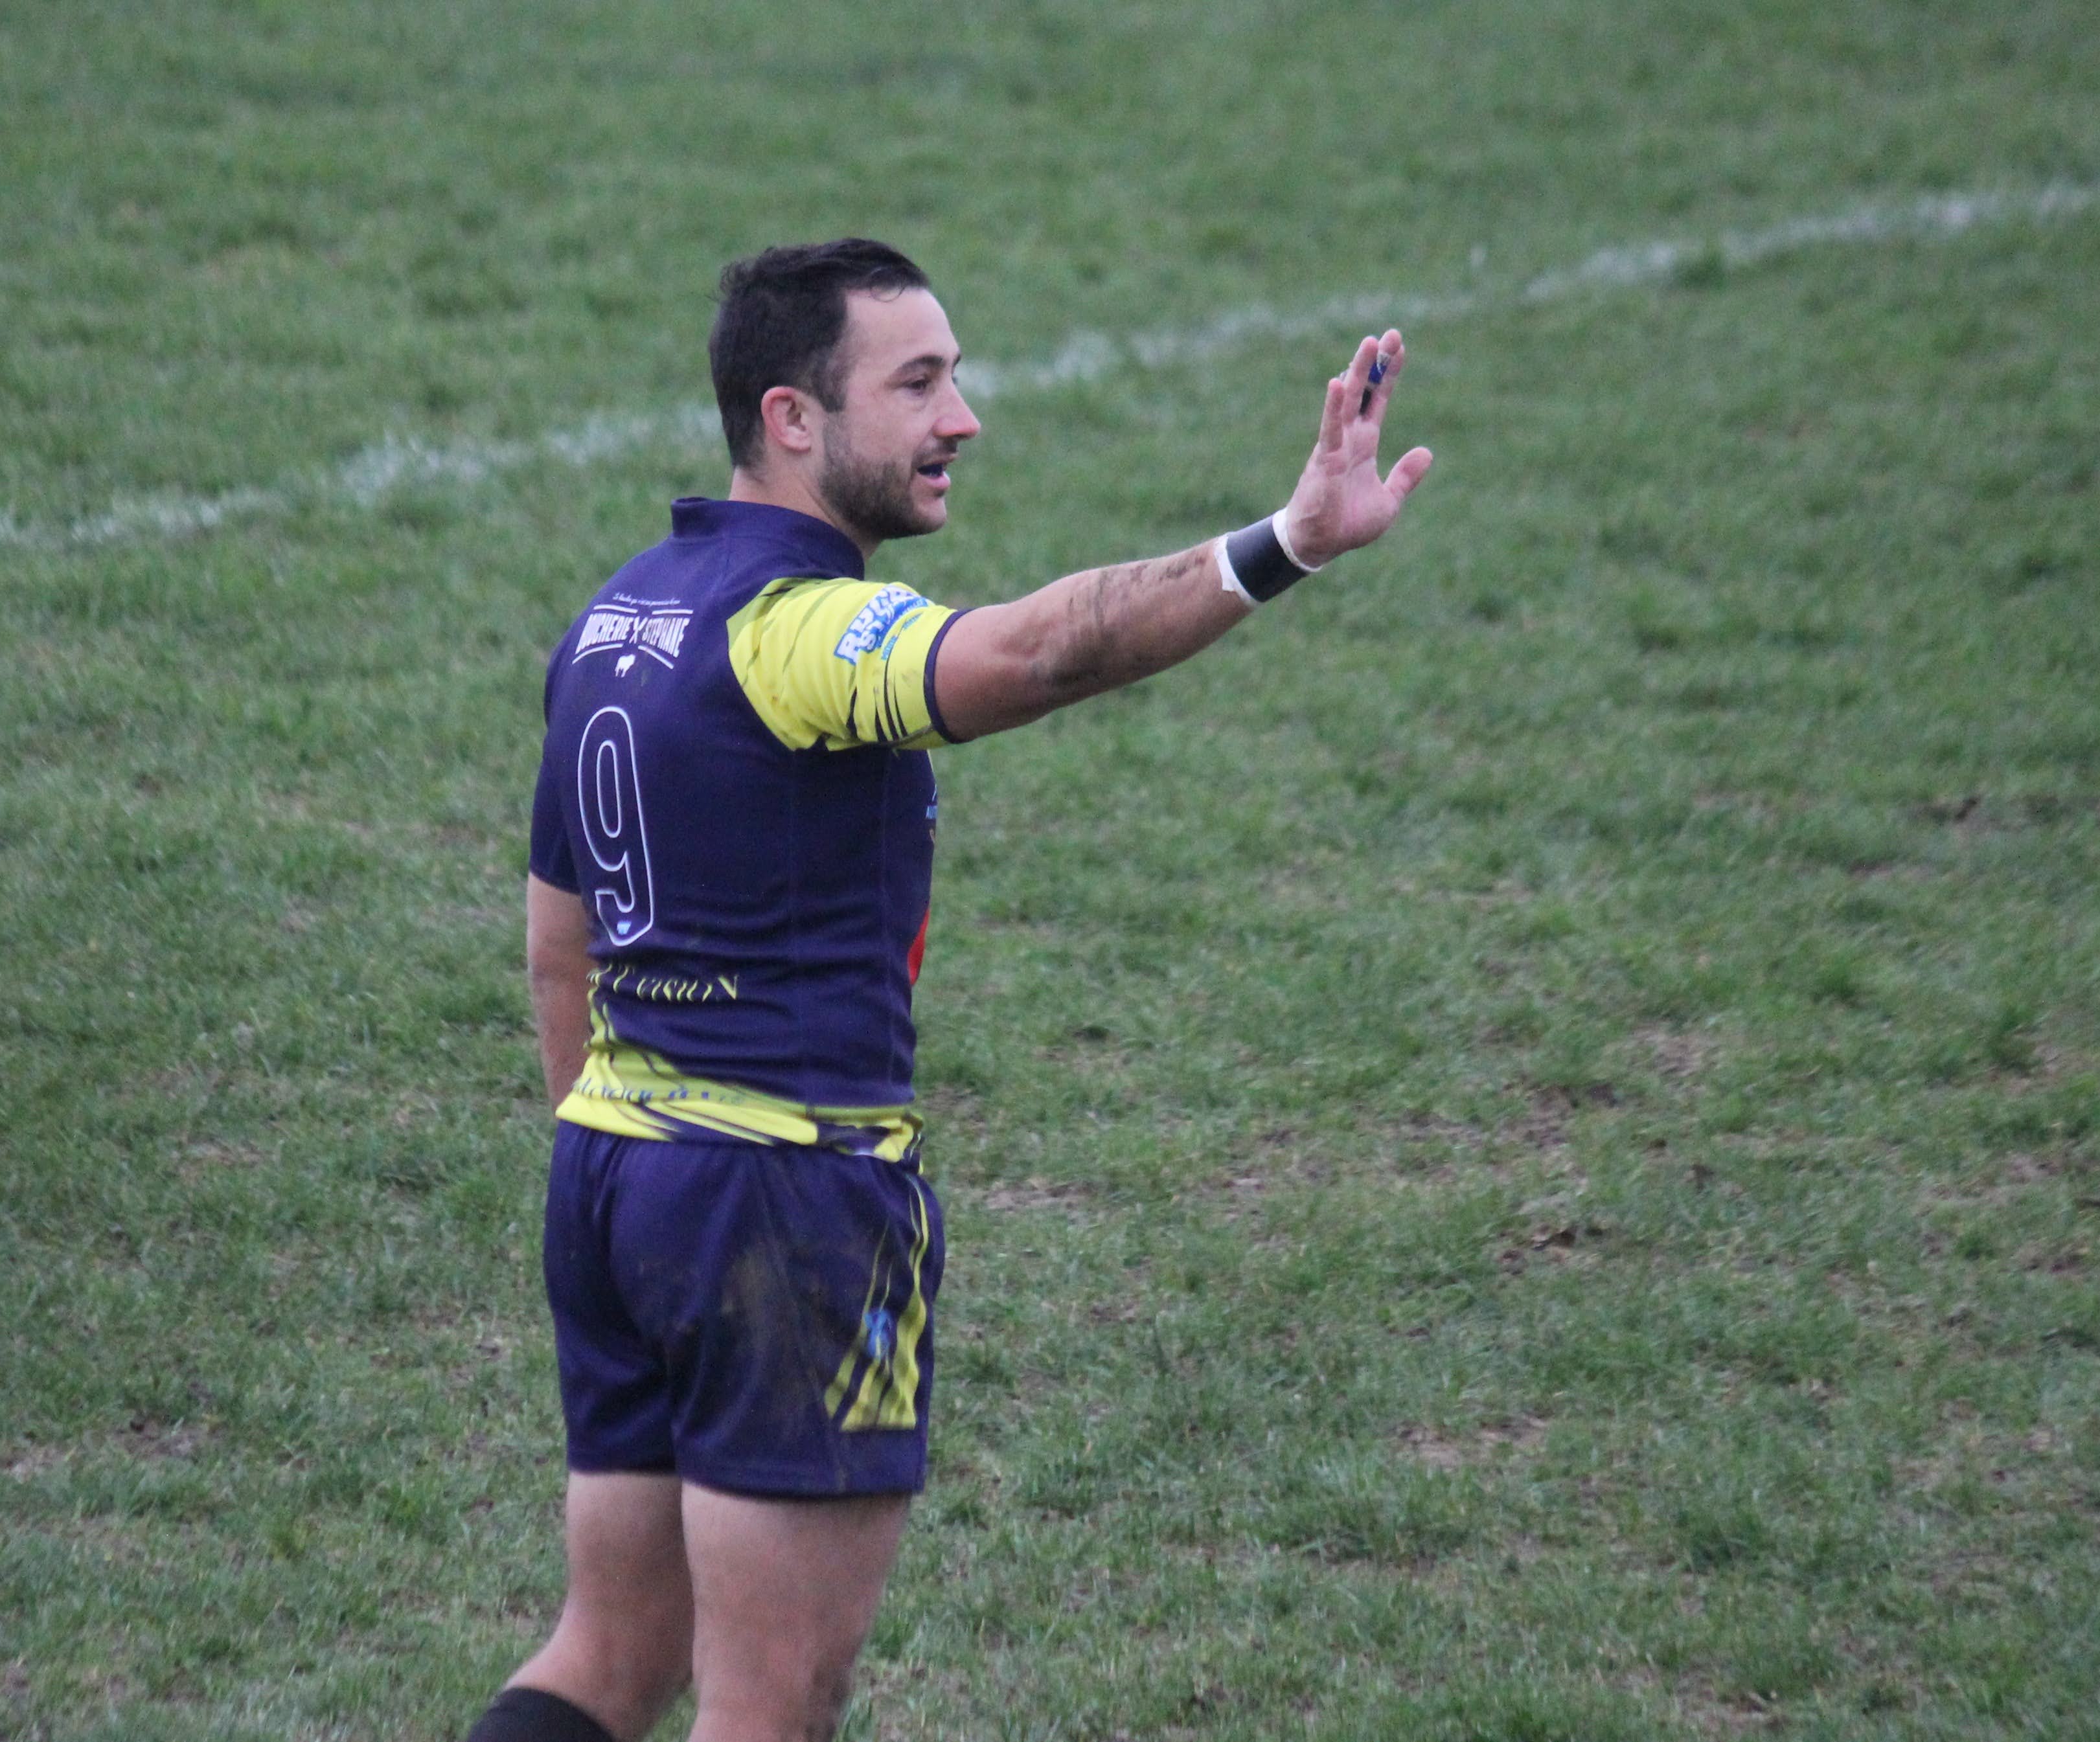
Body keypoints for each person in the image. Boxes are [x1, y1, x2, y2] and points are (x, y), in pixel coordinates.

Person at [475, 239, 1432, 1742]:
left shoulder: (612, 619)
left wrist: (621, 1169)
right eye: (917, 383)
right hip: (781, 1203)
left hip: (611, 1174)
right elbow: (1044, 652)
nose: (961, 417)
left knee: (608, 1654)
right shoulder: (794, 629)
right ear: (793, 419)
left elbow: (558, 949)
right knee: (769, 1701)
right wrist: (1285, 542)